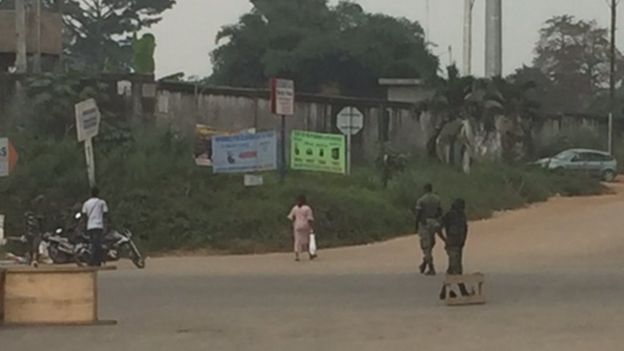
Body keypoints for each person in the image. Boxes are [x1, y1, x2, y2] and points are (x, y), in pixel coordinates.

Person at [439, 198, 471, 299]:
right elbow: (437, 227)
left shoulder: (461, 215)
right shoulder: (450, 215)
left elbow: (465, 229)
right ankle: (462, 290)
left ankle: (444, 291)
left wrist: (463, 241)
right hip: (453, 245)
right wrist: (445, 239)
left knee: (453, 268)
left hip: (458, 245)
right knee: (455, 268)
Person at [414, 183, 443, 275]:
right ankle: (425, 262)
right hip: (434, 222)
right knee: (431, 244)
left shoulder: (421, 200)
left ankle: (431, 267)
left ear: (425, 189)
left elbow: (418, 213)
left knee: (426, 246)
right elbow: (440, 211)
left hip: (424, 223)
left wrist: (416, 225)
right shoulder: (437, 199)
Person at [82, 187, 109, 267]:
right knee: (97, 244)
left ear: (90, 194)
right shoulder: (101, 202)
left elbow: (84, 215)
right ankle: (95, 261)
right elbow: (105, 214)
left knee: (93, 243)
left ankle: (94, 260)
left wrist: (85, 225)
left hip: (90, 226)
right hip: (99, 225)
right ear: (98, 193)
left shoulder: (86, 203)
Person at [287, 195, 315, 262]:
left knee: (297, 241)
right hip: (305, 225)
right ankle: (310, 254)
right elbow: (309, 219)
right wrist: (311, 227)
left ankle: (297, 256)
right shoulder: (307, 208)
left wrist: (293, 224)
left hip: (297, 225)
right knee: (308, 240)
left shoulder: (295, 208)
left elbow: (291, 217)